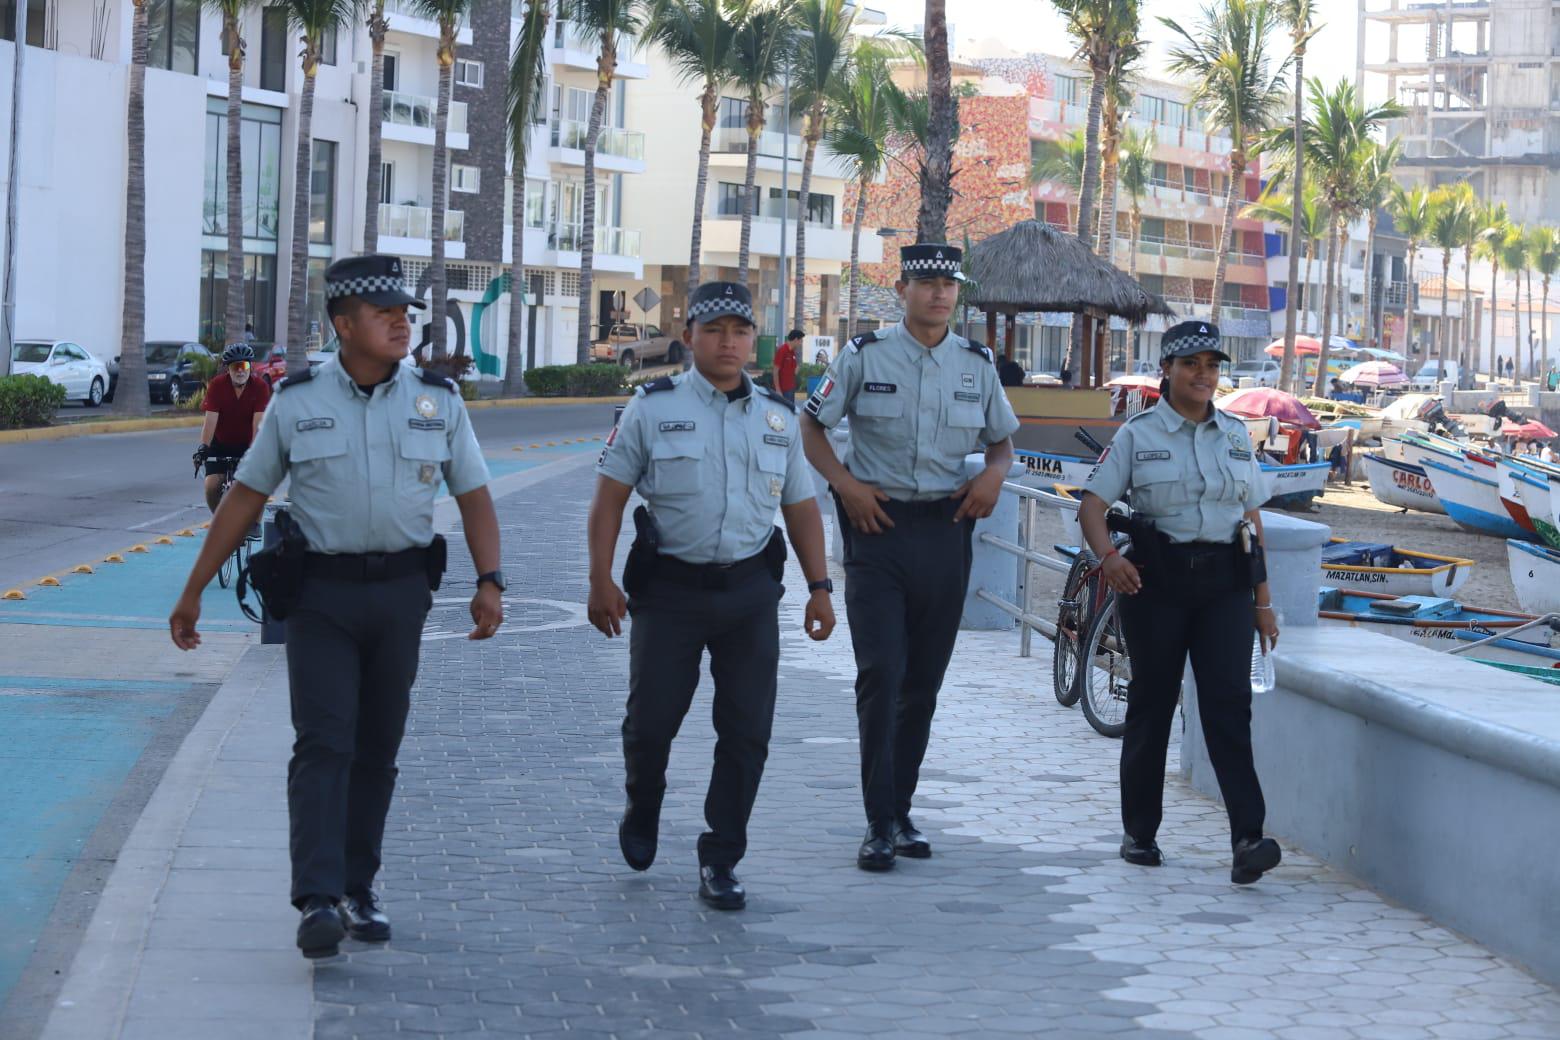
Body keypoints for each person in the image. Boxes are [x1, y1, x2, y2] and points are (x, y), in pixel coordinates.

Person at [168, 254, 505, 958]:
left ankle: (359, 888)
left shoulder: (438, 400)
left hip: (402, 595)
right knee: (324, 742)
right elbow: (247, 497)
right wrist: (195, 587)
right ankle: (317, 898)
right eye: (384, 313)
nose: (400, 323)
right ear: (343, 323)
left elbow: (474, 494)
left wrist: (491, 581)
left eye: (405, 313)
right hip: (320, 596)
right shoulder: (296, 400)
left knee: (377, 748)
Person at [588, 281, 836, 911]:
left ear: (755, 339)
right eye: (715, 330)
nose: (729, 342)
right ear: (691, 336)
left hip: (749, 594)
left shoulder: (779, 418)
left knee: (747, 730)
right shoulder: (650, 407)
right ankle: (643, 805)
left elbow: (801, 508)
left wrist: (819, 587)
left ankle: (722, 855)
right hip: (669, 592)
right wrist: (600, 578)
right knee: (650, 726)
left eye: (740, 331)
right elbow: (610, 499)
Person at [801, 243, 1020, 872]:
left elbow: (1002, 445)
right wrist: (844, 485)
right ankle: (877, 822)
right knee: (881, 675)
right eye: (926, 283)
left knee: (922, 683)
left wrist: (994, 477)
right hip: (877, 531)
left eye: (948, 284)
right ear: (903, 289)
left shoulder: (977, 366)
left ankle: (900, 810)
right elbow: (812, 427)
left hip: (946, 532)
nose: (939, 294)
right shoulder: (863, 356)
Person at [1078, 319, 1283, 886]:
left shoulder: (1237, 435)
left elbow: (1251, 519)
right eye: (1191, 364)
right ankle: (1139, 832)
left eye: (1212, 365)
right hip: (1156, 585)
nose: (1203, 375)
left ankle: (1248, 838)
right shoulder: (1137, 435)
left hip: (1225, 586)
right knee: (1153, 703)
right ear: (1166, 370)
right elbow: (1092, 506)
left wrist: (1264, 603)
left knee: (1228, 707)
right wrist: (1108, 561)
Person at [193, 343, 271, 513]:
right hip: (220, 443)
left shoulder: (260, 387)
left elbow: (258, 424)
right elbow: (210, 420)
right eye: (235, 367)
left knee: (256, 486)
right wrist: (204, 447)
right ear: (228, 369)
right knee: (211, 485)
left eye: (244, 366)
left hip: (249, 444)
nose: (240, 371)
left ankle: (255, 522)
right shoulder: (217, 385)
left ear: (250, 367)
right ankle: (218, 519)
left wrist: (255, 451)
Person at [774, 328, 802, 400]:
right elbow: (775, 371)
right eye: (800, 341)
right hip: (783, 391)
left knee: (790, 410)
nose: (800, 344)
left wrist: (798, 367)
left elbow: (794, 372)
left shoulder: (792, 352)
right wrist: (778, 389)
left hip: (791, 389)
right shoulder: (782, 350)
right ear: (796, 339)